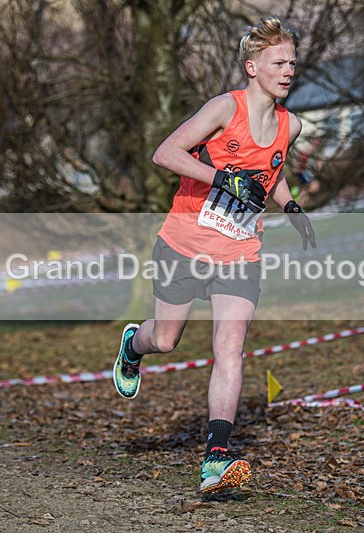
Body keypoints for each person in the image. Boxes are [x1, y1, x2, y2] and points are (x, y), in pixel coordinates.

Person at [111, 16, 316, 494]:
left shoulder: (292, 124)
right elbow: (165, 153)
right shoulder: (224, 108)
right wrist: (223, 177)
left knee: (230, 350)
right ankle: (132, 346)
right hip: (184, 242)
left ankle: (216, 459)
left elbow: (271, 170)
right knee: (165, 340)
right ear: (252, 67)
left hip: (240, 249)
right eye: (277, 62)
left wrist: (290, 205)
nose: (288, 71)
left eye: (292, 63)